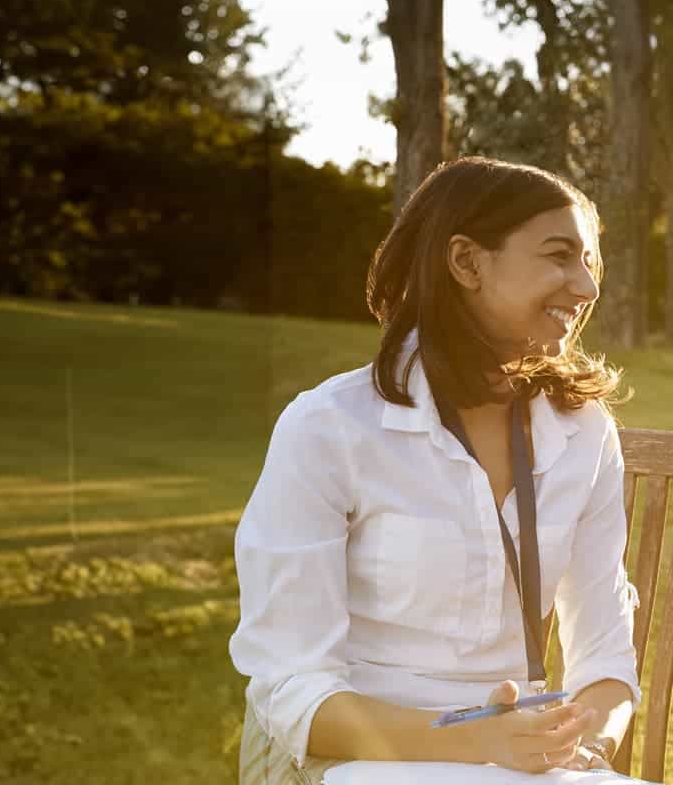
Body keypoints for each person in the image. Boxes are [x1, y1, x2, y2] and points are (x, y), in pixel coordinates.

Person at [231, 157, 647, 784]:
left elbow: (605, 652)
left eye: (588, 262)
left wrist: (585, 750)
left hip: (510, 762)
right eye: (560, 256)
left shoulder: (584, 432)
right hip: (346, 755)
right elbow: (292, 690)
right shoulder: (329, 427)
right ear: (467, 263)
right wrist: (478, 742)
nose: (585, 288)